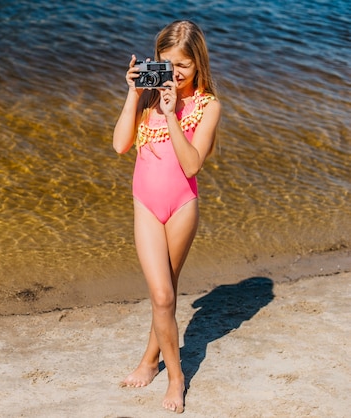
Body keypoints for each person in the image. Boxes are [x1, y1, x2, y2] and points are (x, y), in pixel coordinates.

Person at [112, 20, 221, 413]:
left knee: (166, 295)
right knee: (163, 296)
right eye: (167, 63)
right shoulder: (146, 98)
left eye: (184, 66)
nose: (175, 73)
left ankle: (158, 367)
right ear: (154, 60)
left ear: (199, 65)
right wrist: (134, 93)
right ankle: (171, 373)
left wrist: (174, 114)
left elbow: (192, 166)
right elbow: (121, 145)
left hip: (182, 207)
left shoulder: (208, 106)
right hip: (146, 205)